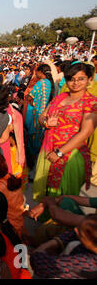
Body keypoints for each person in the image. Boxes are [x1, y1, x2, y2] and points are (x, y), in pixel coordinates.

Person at [33, 62, 97, 204]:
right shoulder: (60, 97)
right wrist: (46, 122)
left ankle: (61, 224)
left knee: (64, 196)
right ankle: (47, 223)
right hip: (49, 149)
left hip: (70, 153)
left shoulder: (91, 102)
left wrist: (60, 152)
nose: (75, 83)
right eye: (71, 79)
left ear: (89, 80)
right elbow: (42, 116)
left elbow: (86, 132)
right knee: (47, 191)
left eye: (81, 79)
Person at [30, 214, 97, 279]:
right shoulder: (92, 247)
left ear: (90, 241)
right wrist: (56, 241)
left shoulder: (87, 263)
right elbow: (73, 234)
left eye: (80, 232)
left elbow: (39, 263)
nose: (75, 229)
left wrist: (42, 248)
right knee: (74, 244)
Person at [24, 64, 54, 167]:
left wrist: (27, 95)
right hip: (43, 114)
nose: (35, 73)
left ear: (41, 72)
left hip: (36, 114)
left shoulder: (40, 83)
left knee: (33, 138)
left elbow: (30, 97)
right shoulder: (49, 83)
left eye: (37, 71)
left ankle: (32, 163)